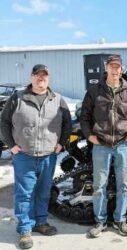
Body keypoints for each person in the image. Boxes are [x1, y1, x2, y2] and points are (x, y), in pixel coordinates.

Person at [0, 64, 72, 249]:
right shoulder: (18, 98)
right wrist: (11, 145)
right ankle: (25, 229)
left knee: (43, 192)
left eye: (44, 75)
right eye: (38, 75)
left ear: (49, 78)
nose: (41, 78)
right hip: (24, 155)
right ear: (32, 77)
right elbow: (4, 122)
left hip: (48, 156)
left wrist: (61, 143)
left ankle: (40, 222)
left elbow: (67, 124)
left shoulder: (57, 99)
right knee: (24, 194)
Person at [80, 55, 127, 238]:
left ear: (121, 69)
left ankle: (120, 220)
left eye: (118, 67)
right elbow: (85, 117)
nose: (115, 70)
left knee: (124, 184)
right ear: (106, 69)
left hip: (123, 144)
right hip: (102, 145)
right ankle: (100, 221)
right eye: (112, 67)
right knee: (100, 185)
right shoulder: (94, 91)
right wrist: (90, 136)